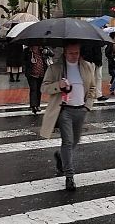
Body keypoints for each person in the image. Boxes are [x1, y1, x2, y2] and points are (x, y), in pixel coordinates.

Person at [40, 42, 96, 191]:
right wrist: (58, 85)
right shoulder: (55, 68)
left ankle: (60, 156)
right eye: (71, 53)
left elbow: (92, 88)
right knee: (68, 142)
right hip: (64, 111)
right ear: (65, 53)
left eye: (76, 53)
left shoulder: (87, 67)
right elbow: (44, 87)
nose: (74, 56)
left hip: (80, 110)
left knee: (74, 142)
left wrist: (87, 106)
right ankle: (69, 176)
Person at [24, 45, 53, 114]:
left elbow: (52, 54)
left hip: (41, 73)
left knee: (39, 90)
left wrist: (47, 51)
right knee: (33, 89)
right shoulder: (27, 51)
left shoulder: (43, 49)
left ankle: (38, 105)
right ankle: (33, 106)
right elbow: (23, 60)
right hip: (31, 74)